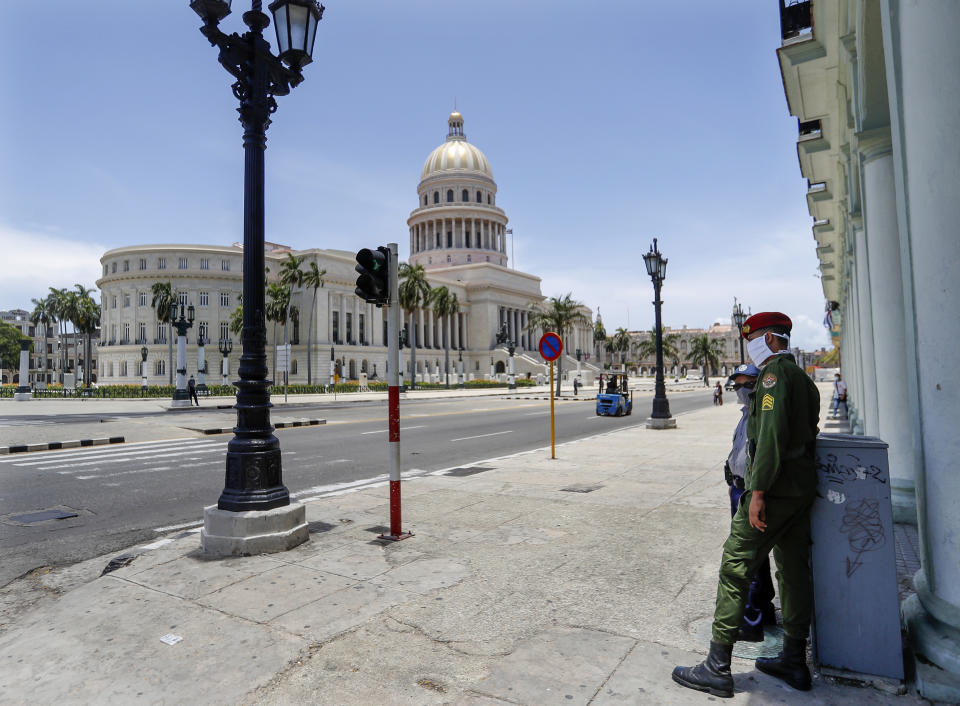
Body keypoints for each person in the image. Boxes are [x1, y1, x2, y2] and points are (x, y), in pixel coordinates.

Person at [672, 312, 820, 698]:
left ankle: (717, 667)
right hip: (801, 491)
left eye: (753, 338)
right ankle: (793, 658)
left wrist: (756, 494)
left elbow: (769, 441)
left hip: (772, 492)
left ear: (771, 340)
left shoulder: (772, 379)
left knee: (735, 566)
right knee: (792, 571)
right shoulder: (805, 380)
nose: (751, 345)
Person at [722, 363, 776, 642]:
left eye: (748, 385)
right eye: (738, 386)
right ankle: (764, 608)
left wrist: (758, 495)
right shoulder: (746, 414)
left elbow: (764, 455)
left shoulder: (762, 415)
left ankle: (750, 621)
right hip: (740, 488)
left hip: (750, 494)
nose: (741, 391)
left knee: (745, 556)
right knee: (757, 555)